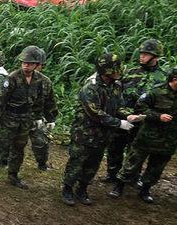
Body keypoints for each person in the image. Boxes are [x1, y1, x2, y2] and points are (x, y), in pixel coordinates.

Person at [62, 53, 135, 206]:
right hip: (85, 133)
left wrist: (130, 116)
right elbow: (95, 114)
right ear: (105, 71)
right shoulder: (90, 87)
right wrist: (119, 123)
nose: (118, 73)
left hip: (103, 134)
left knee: (93, 163)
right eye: (115, 70)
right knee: (77, 161)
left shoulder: (116, 85)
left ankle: (82, 189)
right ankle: (67, 189)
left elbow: (119, 105)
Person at [0, 46, 46, 193]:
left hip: (25, 120)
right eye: (24, 62)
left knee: (18, 149)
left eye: (29, 62)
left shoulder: (39, 80)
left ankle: (13, 175)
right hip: (9, 118)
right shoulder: (12, 78)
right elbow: (0, 100)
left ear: (36, 64)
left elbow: (39, 100)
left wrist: (38, 117)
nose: (25, 64)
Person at [103, 39, 167, 183]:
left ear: (155, 57)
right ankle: (112, 173)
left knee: (136, 151)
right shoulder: (130, 72)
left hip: (145, 120)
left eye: (146, 54)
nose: (141, 56)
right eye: (141, 53)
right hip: (123, 116)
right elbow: (116, 92)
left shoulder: (163, 77)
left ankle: (131, 176)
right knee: (115, 146)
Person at [110, 67, 177, 204]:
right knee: (132, 162)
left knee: (156, 168)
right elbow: (140, 107)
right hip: (148, 137)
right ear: (174, 80)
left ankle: (145, 189)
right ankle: (119, 186)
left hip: (169, 140)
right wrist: (158, 116)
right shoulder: (156, 92)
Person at [30, 49, 58, 170]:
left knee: (41, 142)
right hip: (16, 117)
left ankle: (42, 163)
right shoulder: (16, 78)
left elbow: (50, 102)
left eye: (38, 65)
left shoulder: (45, 82)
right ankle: (5, 162)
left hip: (36, 118)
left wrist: (51, 118)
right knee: (10, 142)